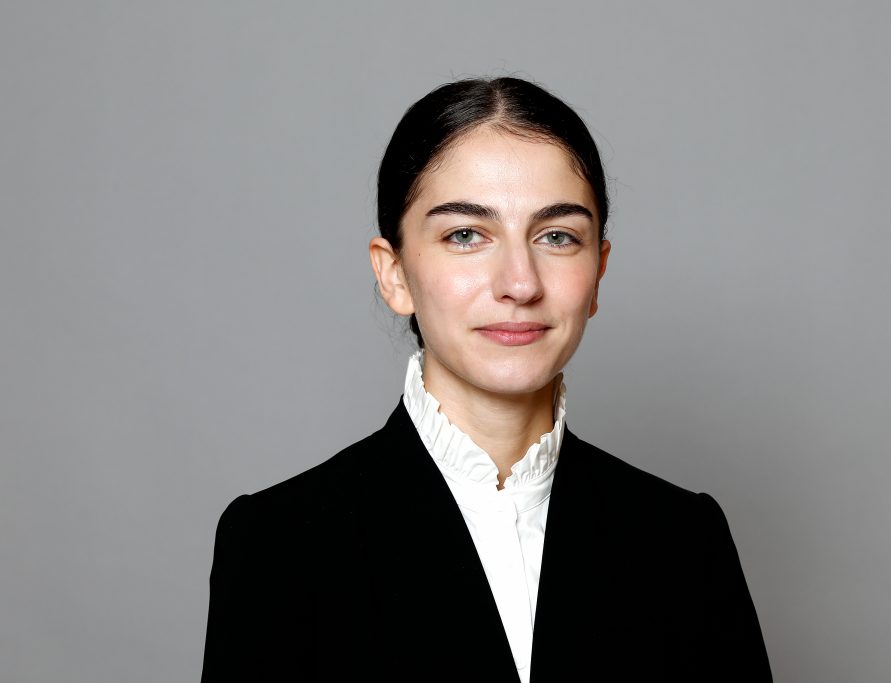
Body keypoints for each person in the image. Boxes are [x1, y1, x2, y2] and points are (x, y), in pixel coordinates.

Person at [201, 76, 772, 682]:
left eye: (557, 236)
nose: (520, 283)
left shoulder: (684, 539)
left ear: (598, 273)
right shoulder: (279, 542)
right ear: (394, 274)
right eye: (466, 235)